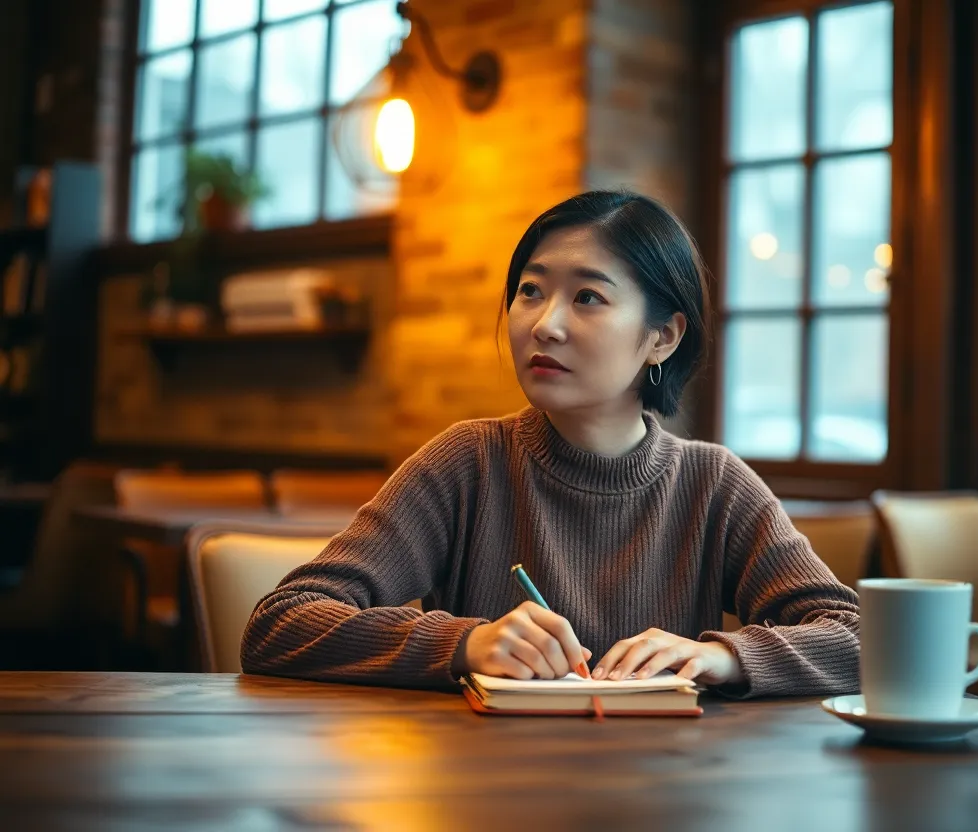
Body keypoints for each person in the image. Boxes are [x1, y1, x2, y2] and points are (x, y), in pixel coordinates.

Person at [241, 190, 860, 698]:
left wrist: (722, 656)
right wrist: (463, 644)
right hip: (485, 792)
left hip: (665, 792)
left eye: (588, 297)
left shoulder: (712, 483)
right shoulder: (467, 464)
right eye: (531, 290)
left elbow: (859, 640)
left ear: (663, 338)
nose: (544, 323)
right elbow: (280, 621)